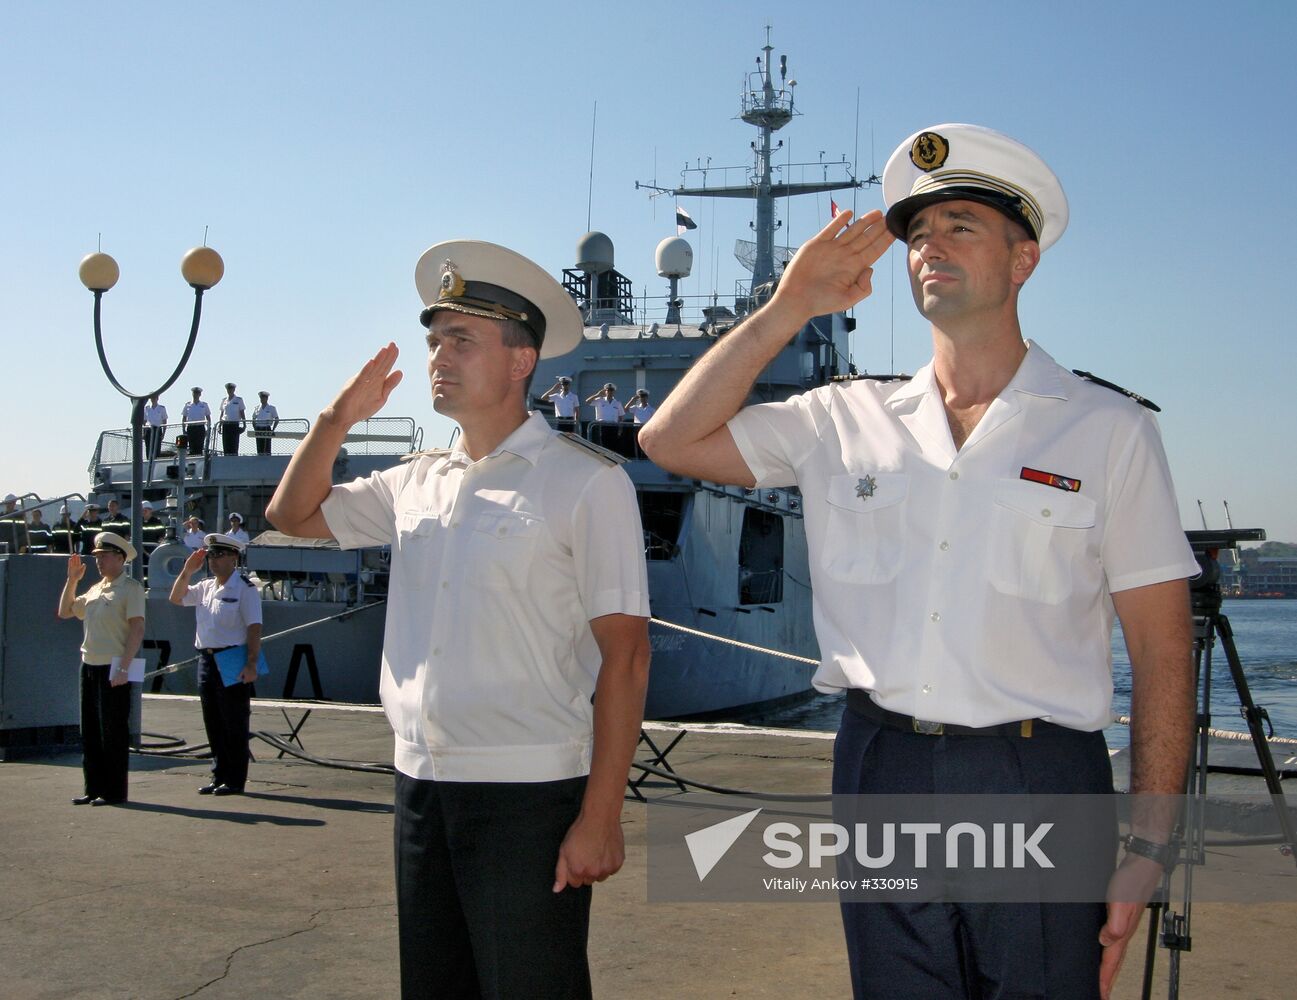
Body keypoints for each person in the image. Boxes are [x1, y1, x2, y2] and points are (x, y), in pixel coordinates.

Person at [639, 124, 1198, 1000]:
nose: (930, 246)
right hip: (881, 766)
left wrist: (1150, 843)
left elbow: (1164, 651)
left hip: (1038, 774)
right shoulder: (840, 419)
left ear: (1023, 260)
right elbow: (668, 438)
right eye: (918, 235)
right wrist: (789, 306)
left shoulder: (1107, 430)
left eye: (961, 225)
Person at [266, 239, 650, 1000]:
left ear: (520, 360)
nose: (439, 356)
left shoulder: (585, 483)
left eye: (462, 340)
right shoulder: (416, 481)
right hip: (421, 784)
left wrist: (600, 815)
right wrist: (337, 417)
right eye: (434, 340)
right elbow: (291, 513)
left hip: (528, 794)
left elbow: (627, 656)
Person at [169, 532, 263, 796]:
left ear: (234, 557)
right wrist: (187, 571)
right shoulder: (206, 587)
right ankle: (218, 774)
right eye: (211, 555)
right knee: (213, 721)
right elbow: (176, 598)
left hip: (233, 656)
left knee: (233, 721)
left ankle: (235, 779)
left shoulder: (245, 589)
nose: (214, 560)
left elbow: (254, 628)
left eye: (220, 555)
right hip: (207, 658)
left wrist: (251, 663)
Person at [56, 532, 145, 806]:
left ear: (120, 558)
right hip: (90, 665)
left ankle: (114, 791)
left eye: (104, 556)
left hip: (114, 666)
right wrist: (72, 580)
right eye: (97, 556)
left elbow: (137, 629)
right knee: (91, 731)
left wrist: (125, 668)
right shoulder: (96, 589)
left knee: (113, 731)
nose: (99, 561)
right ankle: (93, 788)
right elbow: (65, 611)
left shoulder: (130, 589)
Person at [182, 387, 211, 456]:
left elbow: (208, 417)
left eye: (197, 393)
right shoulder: (188, 405)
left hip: (200, 427)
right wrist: (183, 429)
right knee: (192, 446)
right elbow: (184, 417)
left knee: (200, 445)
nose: (196, 394)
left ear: (200, 394)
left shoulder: (204, 405)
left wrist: (208, 428)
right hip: (191, 427)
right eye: (194, 393)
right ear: (192, 394)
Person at [219, 382, 246, 456]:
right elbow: (222, 414)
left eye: (231, 389)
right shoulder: (224, 400)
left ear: (234, 389)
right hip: (226, 424)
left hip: (234, 425)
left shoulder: (238, 400)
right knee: (226, 445)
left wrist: (244, 424)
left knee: (234, 445)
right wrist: (219, 425)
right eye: (228, 389)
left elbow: (242, 412)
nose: (230, 390)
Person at [251, 390, 279, 456]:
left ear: (267, 398)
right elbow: (253, 419)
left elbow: (277, 419)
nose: (262, 399)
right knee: (259, 447)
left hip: (266, 428)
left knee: (266, 448)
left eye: (264, 397)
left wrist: (273, 429)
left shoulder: (271, 408)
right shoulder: (257, 408)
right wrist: (255, 428)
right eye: (261, 398)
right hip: (258, 428)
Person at [144, 394, 168, 459]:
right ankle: (149, 461)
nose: (153, 399)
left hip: (157, 429)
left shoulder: (161, 408)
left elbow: (164, 421)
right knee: (148, 448)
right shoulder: (147, 408)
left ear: (157, 398)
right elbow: (144, 421)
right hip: (149, 430)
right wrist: (143, 432)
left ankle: (156, 462)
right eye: (152, 398)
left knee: (157, 448)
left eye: (154, 397)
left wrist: (163, 433)